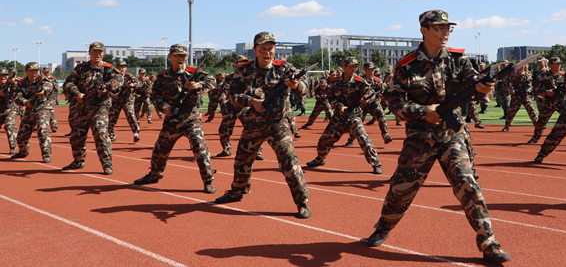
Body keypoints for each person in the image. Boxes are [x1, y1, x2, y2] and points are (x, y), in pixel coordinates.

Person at [362, 10, 510, 264]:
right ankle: (384, 227)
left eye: (448, 28)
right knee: (401, 191)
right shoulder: (406, 65)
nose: (445, 32)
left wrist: (486, 89)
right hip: (420, 138)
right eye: (439, 28)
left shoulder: (458, 61)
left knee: (469, 186)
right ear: (424, 30)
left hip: (452, 135)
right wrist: (422, 112)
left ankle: (489, 243)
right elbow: (393, 101)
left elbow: (477, 92)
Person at [214, 32, 311, 218]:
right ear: (255, 50)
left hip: (277, 124)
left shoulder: (284, 68)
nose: (267, 52)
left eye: (270, 48)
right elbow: (233, 95)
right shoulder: (244, 70)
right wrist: (252, 102)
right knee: (242, 160)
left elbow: (304, 89)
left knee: (290, 161)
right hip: (253, 124)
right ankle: (237, 191)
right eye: (263, 49)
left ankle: (302, 201)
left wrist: (295, 85)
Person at [134, 44, 217, 193]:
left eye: (183, 56)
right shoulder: (162, 76)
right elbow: (156, 95)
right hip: (172, 120)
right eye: (177, 56)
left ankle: (208, 181)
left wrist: (197, 85)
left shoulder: (194, 73)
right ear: (170, 56)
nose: (180, 59)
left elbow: (212, 82)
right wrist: (164, 108)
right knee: (160, 149)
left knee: (200, 148)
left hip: (191, 119)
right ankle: (155, 174)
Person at [306, 57, 382, 174]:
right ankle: (320, 159)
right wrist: (339, 106)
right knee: (323, 141)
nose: (354, 68)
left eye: (356, 66)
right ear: (344, 67)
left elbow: (370, 93)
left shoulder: (360, 81)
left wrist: (366, 99)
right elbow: (330, 97)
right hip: (339, 117)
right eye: (351, 66)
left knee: (364, 139)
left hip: (354, 116)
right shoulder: (335, 81)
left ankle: (376, 164)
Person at [62, 43, 123, 174]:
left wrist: (107, 87)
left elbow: (119, 79)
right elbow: (68, 83)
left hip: (100, 107)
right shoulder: (80, 68)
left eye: (100, 52)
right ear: (89, 53)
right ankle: (78, 161)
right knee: (76, 137)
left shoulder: (108, 69)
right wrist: (77, 94)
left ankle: (107, 164)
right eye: (94, 52)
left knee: (101, 134)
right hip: (80, 108)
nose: (97, 54)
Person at [529, 57, 566, 145]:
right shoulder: (544, 75)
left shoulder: (564, 75)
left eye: (559, 64)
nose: (559, 65)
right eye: (556, 64)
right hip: (549, 102)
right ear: (551, 65)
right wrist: (546, 92)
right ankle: (535, 138)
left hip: (562, 102)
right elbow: (536, 88)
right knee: (541, 122)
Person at [12, 62, 55, 162]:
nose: (34, 73)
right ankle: (23, 152)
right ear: (26, 71)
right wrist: (26, 102)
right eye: (31, 71)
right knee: (22, 135)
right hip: (30, 110)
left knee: (42, 129)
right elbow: (17, 98)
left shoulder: (42, 80)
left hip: (43, 108)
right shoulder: (21, 84)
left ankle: (46, 154)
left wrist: (43, 91)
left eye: (36, 71)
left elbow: (49, 86)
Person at [108, 61, 141, 142]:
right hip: (116, 101)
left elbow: (139, 84)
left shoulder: (129, 77)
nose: (122, 69)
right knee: (112, 118)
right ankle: (111, 135)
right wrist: (112, 95)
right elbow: (106, 88)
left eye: (124, 67)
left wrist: (131, 85)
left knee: (130, 114)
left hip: (127, 100)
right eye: (120, 67)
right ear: (117, 68)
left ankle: (135, 133)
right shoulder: (113, 77)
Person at [502, 64, 536, 132]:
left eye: (523, 66)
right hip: (516, 96)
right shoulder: (512, 75)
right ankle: (507, 126)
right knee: (511, 112)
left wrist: (528, 90)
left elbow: (530, 85)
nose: (522, 67)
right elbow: (505, 83)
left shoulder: (527, 75)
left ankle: (537, 126)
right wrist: (510, 90)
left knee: (531, 110)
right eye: (521, 66)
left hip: (525, 95)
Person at [0, 68, 20, 154]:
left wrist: (13, 83)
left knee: (9, 125)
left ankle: (13, 147)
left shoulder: (12, 83)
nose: (3, 77)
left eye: (5, 75)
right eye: (1, 75)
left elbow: (17, 90)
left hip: (11, 109)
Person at [41, 66, 59, 133]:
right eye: (45, 72)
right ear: (42, 72)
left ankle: (53, 126)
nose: (46, 73)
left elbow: (56, 90)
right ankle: (41, 125)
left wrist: (56, 99)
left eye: (47, 72)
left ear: (50, 72)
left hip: (51, 98)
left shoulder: (53, 79)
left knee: (51, 111)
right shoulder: (40, 79)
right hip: (42, 98)